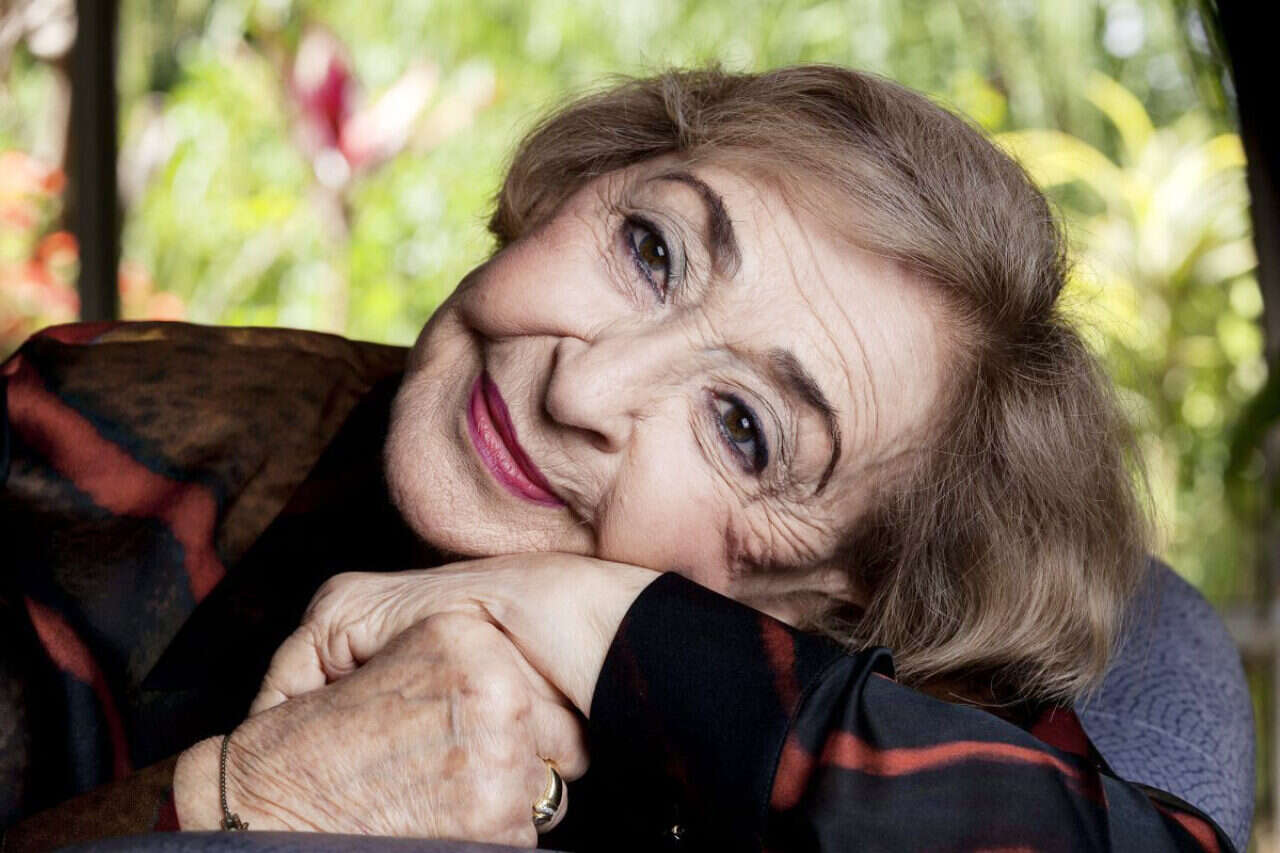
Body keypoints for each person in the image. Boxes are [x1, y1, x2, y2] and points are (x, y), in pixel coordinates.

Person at [0, 66, 1235, 851]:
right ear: (571, 189)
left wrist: (605, 627)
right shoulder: (82, 428)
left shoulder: (844, 732)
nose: (580, 387)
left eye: (741, 428)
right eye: (651, 251)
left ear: (833, 602)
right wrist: (250, 794)